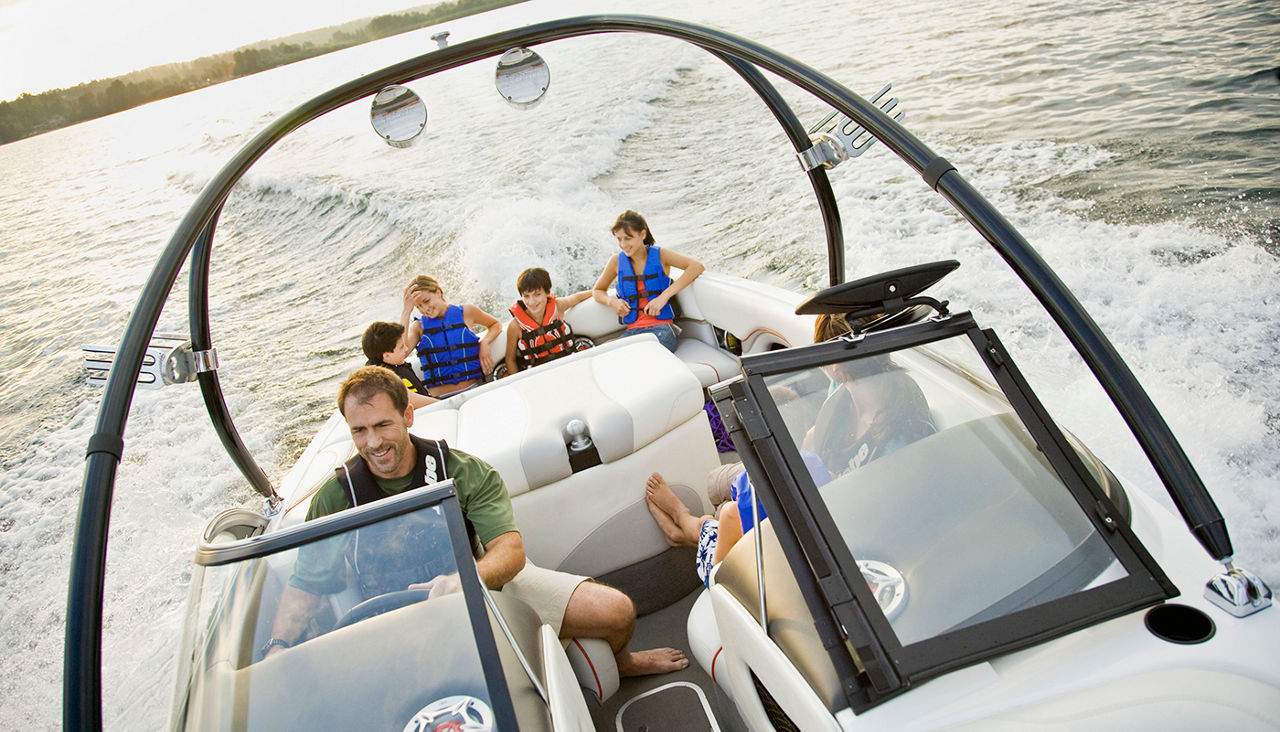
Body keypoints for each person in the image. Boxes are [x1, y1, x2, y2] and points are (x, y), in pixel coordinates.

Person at [266, 366, 688, 677]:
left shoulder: (463, 471)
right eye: (359, 431)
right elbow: (306, 586)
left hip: (478, 586)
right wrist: (279, 647)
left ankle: (623, 662)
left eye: (382, 425)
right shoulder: (336, 497)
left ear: (408, 417)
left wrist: (464, 578)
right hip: (389, 620)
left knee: (618, 611)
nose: (372, 442)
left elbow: (510, 550)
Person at [645, 313, 935, 587]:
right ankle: (705, 524)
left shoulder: (898, 434)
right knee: (714, 484)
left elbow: (869, 511)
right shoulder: (848, 386)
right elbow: (814, 435)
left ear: (834, 365)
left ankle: (687, 526)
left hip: (827, 514)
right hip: (811, 476)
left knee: (728, 515)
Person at [592, 210, 704, 353]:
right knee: (599, 354)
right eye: (619, 239)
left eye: (628, 238)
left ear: (642, 234)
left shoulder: (661, 255)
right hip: (632, 333)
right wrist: (612, 302)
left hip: (662, 330)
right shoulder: (616, 261)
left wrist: (663, 297)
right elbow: (597, 290)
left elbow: (696, 267)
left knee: (634, 354)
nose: (623, 244)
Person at [400, 275, 501, 397]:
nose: (425, 309)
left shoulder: (467, 312)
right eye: (418, 306)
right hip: (439, 400)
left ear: (438, 292)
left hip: (473, 391)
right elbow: (402, 352)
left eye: (426, 301)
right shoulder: (418, 327)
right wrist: (406, 310)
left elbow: (495, 324)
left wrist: (485, 342)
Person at [503, 267, 592, 375]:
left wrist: (601, 292)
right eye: (526, 296)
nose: (531, 301)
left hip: (570, 367)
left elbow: (578, 297)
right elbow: (510, 359)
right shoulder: (515, 326)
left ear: (547, 292)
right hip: (539, 377)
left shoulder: (558, 306)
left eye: (537, 294)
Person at [360, 321, 438, 409]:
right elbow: (410, 399)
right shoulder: (381, 380)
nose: (406, 349)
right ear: (387, 356)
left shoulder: (391, 365)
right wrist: (446, 403)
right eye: (401, 347)